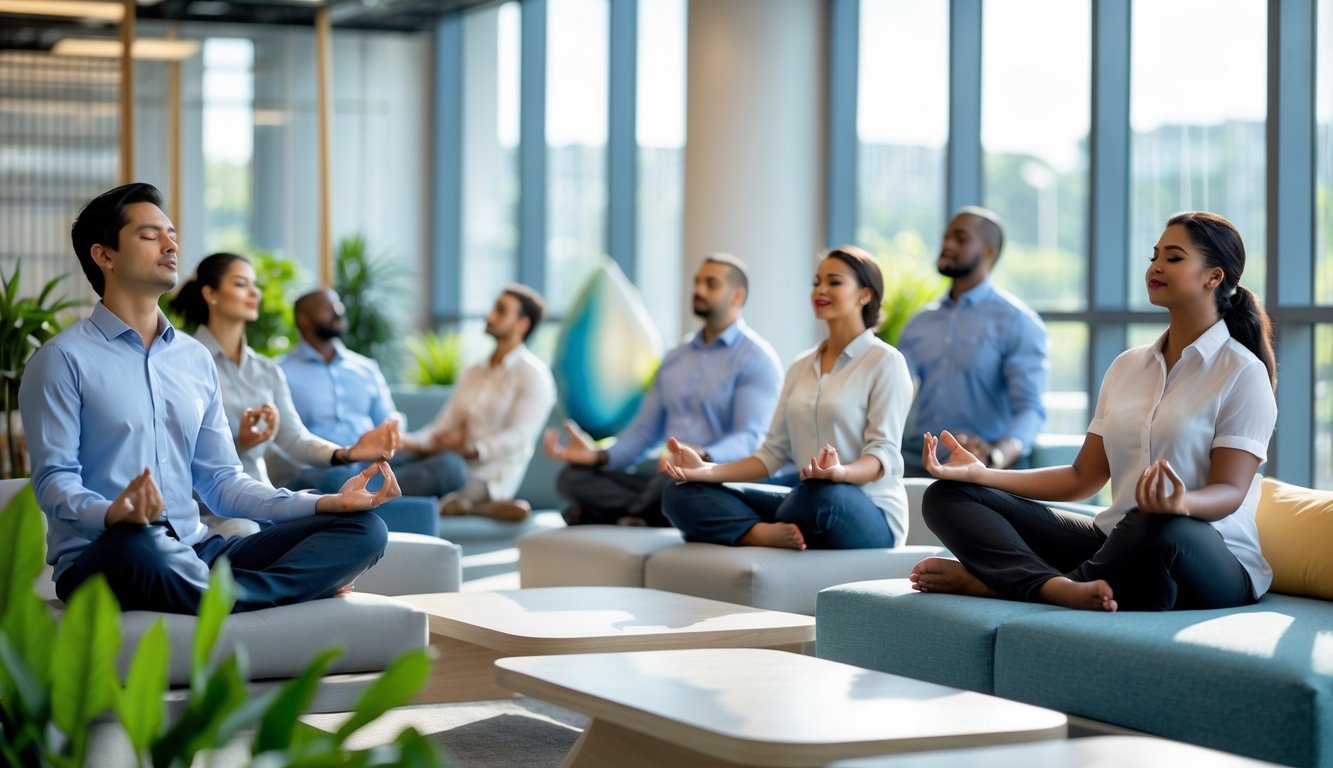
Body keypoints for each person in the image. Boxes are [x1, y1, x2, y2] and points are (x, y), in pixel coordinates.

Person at [19, 182, 399, 615]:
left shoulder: (194, 359)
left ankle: (228, 597)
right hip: (109, 554)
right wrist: (112, 514)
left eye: (172, 233)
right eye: (150, 235)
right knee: (140, 544)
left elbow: (221, 484)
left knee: (363, 529)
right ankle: (260, 594)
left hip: (199, 551)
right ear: (104, 255)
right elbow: (54, 482)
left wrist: (324, 502)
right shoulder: (61, 359)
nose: (170, 244)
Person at [911, 211, 1277, 612]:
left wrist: (1180, 505)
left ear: (1214, 277)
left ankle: (1007, 586)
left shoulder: (1242, 372)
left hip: (1208, 554)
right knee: (949, 495)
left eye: (1173, 258)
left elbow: (1230, 491)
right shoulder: (1128, 366)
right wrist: (982, 474)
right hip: (1116, 542)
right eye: (1154, 256)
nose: (1155, 266)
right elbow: (1082, 477)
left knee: (1153, 522)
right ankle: (1055, 587)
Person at [660, 245, 913, 550]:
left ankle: (735, 526)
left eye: (834, 282)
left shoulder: (885, 362)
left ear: (865, 295)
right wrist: (705, 471)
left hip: (863, 508)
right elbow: (771, 454)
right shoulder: (800, 366)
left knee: (820, 494)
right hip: (803, 496)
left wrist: (839, 473)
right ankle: (758, 534)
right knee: (681, 491)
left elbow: (882, 455)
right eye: (816, 282)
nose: (820, 289)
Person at [543, 254, 783, 526]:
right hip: (663, 476)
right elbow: (644, 432)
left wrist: (701, 456)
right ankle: (642, 514)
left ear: (737, 297)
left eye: (711, 284)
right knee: (573, 477)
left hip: (711, 476)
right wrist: (598, 455)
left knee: (675, 483)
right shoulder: (674, 358)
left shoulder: (757, 359)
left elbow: (749, 437)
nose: (699, 290)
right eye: (697, 282)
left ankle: (611, 513)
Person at [169, 252, 401, 487]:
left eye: (255, 285)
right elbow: (174, 449)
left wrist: (348, 452)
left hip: (264, 497)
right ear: (210, 293)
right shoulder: (182, 362)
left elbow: (294, 439)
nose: (255, 293)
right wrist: (240, 444)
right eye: (241, 284)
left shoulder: (267, 371)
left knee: (364, 524)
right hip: (213, 503)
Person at [897, 206, 1048, 475]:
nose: (947, 244)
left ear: (989, 251)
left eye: (961, 238)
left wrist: (996, 454)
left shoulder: (1017, 321)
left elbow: (1030, 409)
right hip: (917, 461)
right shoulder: (920, 323)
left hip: (983, 466)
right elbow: (892, 393)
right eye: (946, 237)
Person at [276, 287, 466, 498]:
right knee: (334, 479)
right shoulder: (281, 372)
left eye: (338, 305)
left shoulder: (365, 368)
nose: (338, 311)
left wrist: (406, 439)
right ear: (304, 319)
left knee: (452, 466)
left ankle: (362, 492)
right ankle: (377, 490)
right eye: (327, 308)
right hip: (323, 466)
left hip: (373, 461)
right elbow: (286, 439)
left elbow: (388, 422)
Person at [399, 285, 556, 522]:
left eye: (501, 311)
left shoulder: (534, 375)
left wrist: (472, 450)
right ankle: (461, 506)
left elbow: (519, 436)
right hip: (445, 458)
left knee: (448, 467)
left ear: (523, 324)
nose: (489, 316)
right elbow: (441, 427)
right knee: (391, 458)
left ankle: (370, 493)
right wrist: (402, 441)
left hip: (486, 476)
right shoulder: (474, 372)